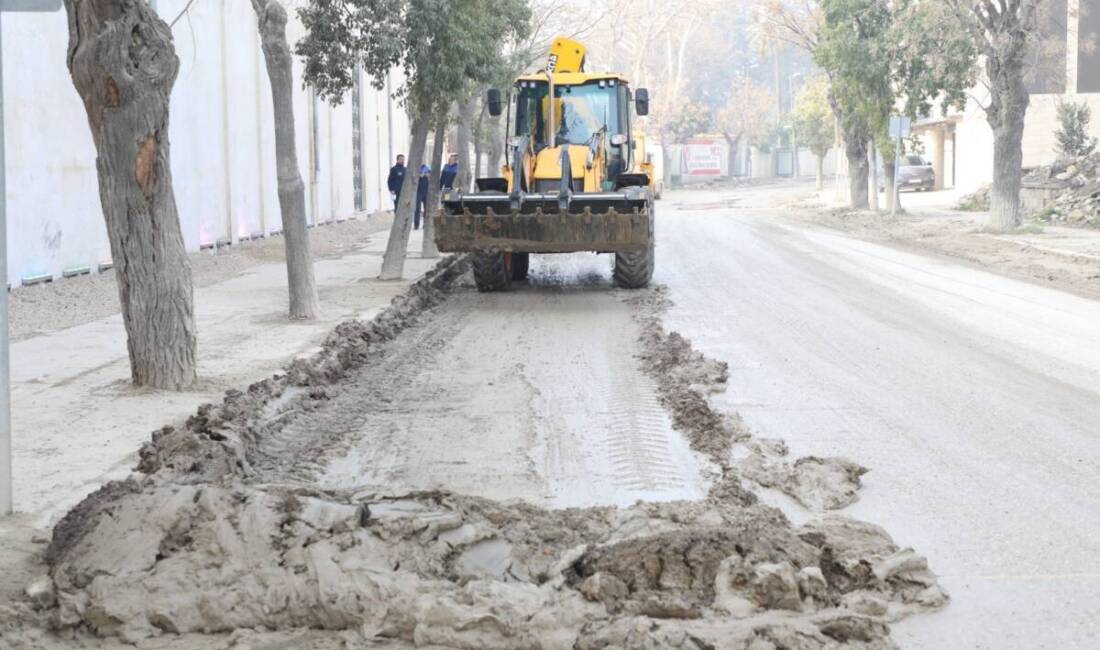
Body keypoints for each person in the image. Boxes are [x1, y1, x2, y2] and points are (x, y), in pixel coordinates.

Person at [414, 164, 430, 230]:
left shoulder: (428, 170)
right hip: (418, 193)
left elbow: (431, 179)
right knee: (417, 209)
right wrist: (420, 176)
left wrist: (428, 176)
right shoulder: (416, 169)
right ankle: (416, 225)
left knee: (427, 209)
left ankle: (425, 224)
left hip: (426, 193)